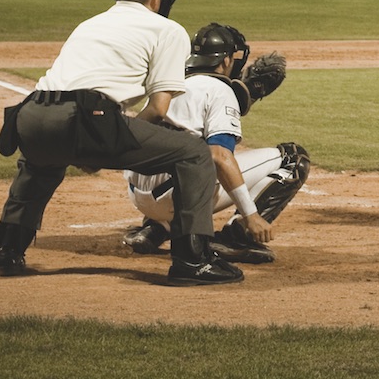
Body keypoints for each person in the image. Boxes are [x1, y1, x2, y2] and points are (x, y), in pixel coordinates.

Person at [0, 0, 243, 285]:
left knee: (41, 165)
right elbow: (159, 108)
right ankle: (193, 260)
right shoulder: (167, 30)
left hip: (31, 115)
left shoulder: (90, 23)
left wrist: (92, 145)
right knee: (193, 153)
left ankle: (9, 250)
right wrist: (105, 144)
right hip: (83, 119)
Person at [120, 23, 309, 265]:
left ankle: (155, 229)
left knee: (178, 149)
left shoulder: (171, 81)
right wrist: (251, 215)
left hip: (138, 195)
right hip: (176, 199)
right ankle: (236, 237)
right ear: (226, 60)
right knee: (293, 159)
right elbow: (219, 156)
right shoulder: (220, 90)